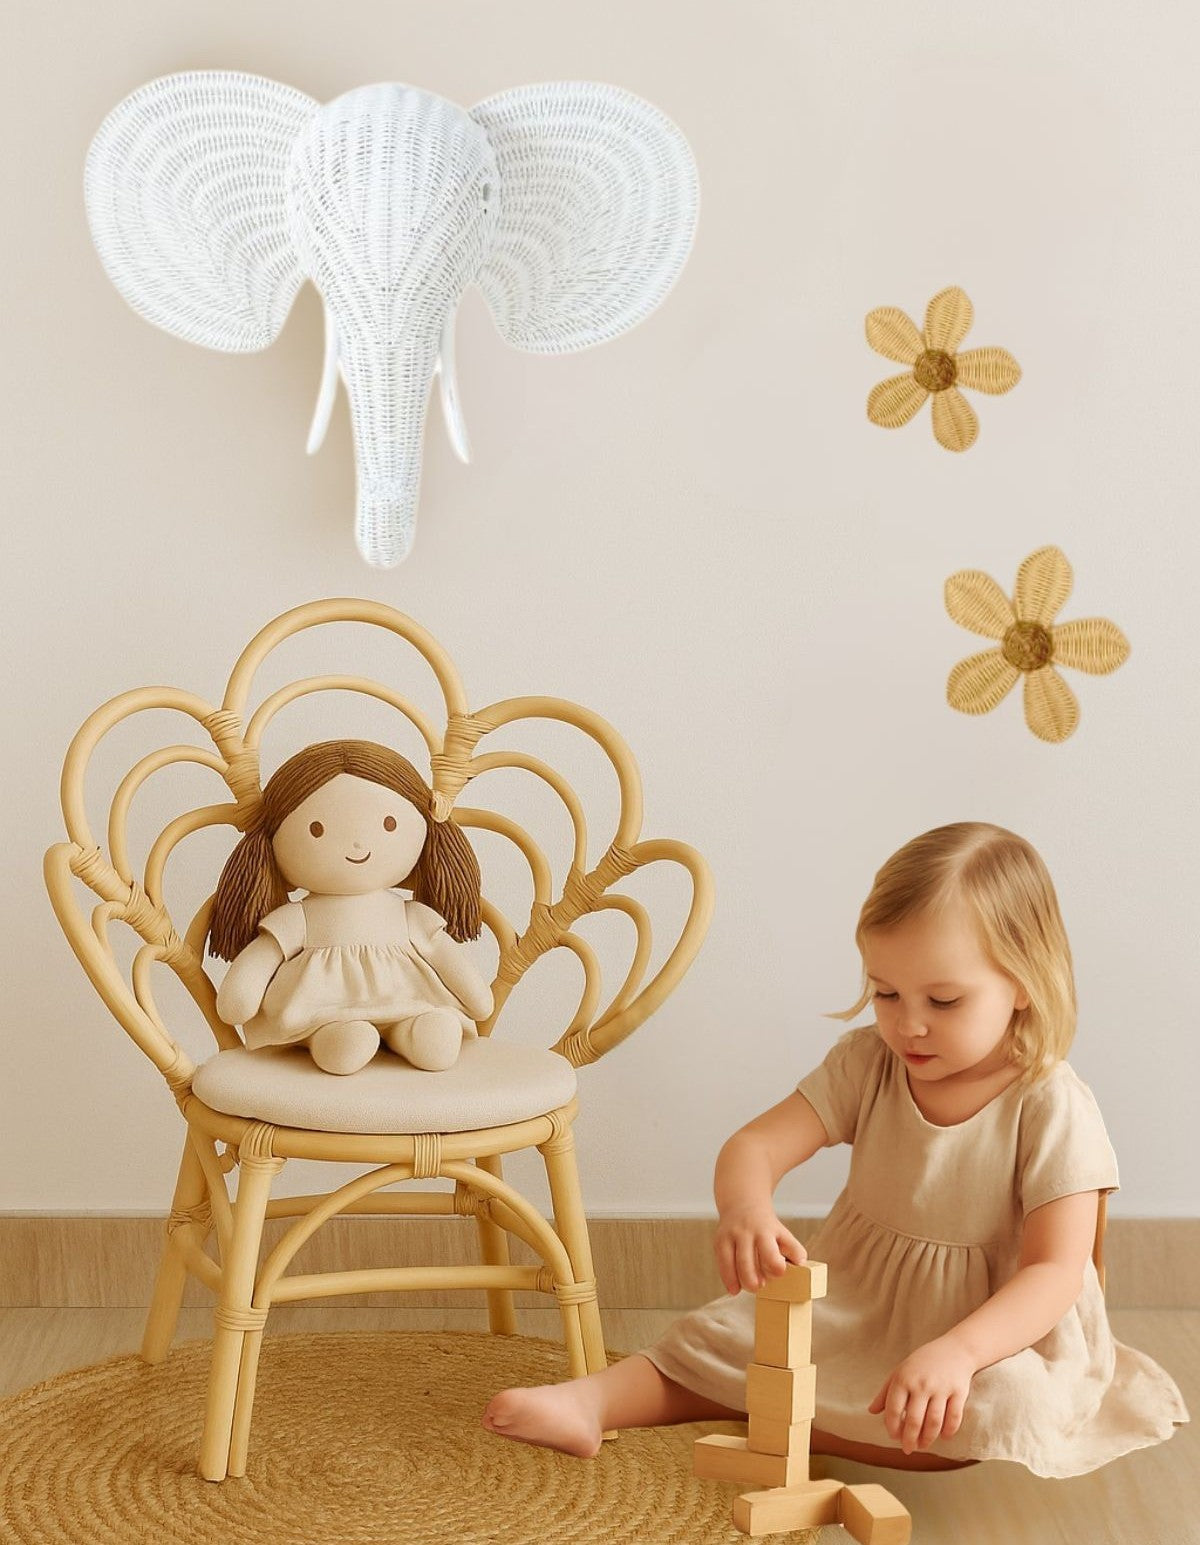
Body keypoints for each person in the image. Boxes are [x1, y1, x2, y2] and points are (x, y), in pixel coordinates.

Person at [482, 822, 1189, 1476]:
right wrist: (745, 1206)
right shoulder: (869, 1064)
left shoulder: (1051, 1103)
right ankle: (593, 1403)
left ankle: (786, 1413)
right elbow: (755, 1145)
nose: (908, 1024)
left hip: (992, 1331)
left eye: (944, 1001)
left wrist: (957, 1351)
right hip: (859, 1302)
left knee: (1009, 1404)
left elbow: (1056, 1272)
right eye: (885, 992)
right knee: (721, 1333)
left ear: (1025, 985)